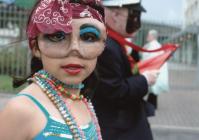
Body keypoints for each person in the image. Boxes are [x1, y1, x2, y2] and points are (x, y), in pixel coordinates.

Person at [0, 0, 106, 140]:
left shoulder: (83, 101)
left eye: (88, 37)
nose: (75, 49)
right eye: (57, 36)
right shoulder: (22, 110)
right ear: (35, 47)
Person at [92, 0, 159, 140]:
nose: (137, 24)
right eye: (133, 16)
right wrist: (145, 80)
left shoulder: (114, 41)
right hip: (119, 129)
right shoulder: (107, 46)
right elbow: (114, 91)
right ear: (115, 14)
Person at [141, 29, 169, 109]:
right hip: (157, 69)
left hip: (153, 69)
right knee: (153, 89)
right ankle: (152, 105)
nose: (147, 37)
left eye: (149, 35)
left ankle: (151, 105)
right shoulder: (158, 45)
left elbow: (147, 57)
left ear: (152, 36)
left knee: (152, 88)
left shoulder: (152, 45)